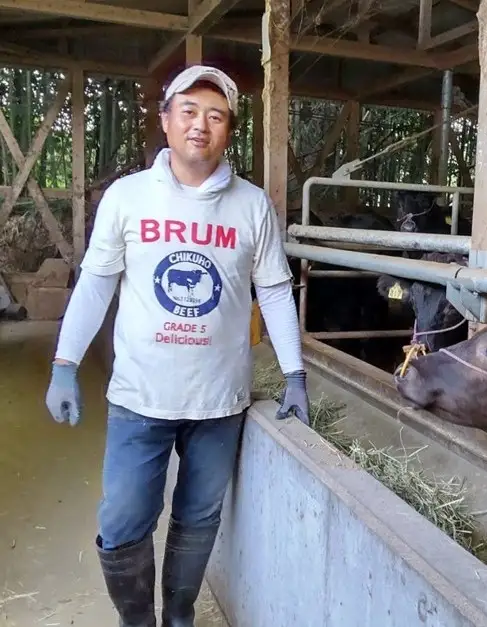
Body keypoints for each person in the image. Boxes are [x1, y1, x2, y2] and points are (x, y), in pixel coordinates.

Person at [43, 64, 310, 627]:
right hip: (139, 397)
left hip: (219, 401)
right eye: (188, 111)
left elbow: (274, 292)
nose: (200, 125)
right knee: (122, 521)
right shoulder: (128, 197)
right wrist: (65, 363)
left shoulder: (251, 205)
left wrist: (295, 375)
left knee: (198, 519)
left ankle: (179, 617)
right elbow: (95, 285)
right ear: (165, 120)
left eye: (216, 116)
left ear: (228, 130)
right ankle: (137, 620)